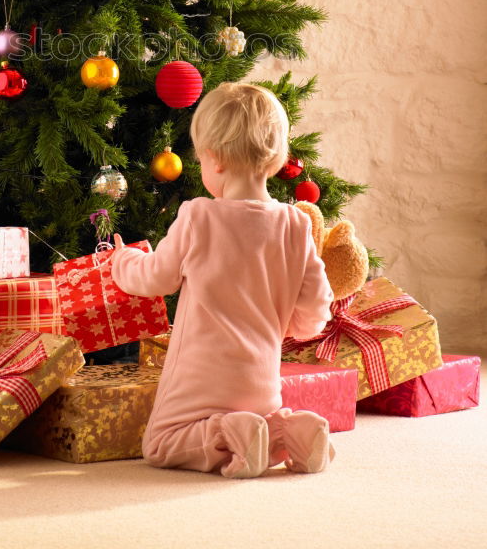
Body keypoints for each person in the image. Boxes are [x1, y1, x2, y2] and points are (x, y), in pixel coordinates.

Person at [111, 81, 335, 479]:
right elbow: (317, 305)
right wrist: (297, 326)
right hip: (261, 378)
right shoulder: (295, 223)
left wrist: (123, 259)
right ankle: (294, 430)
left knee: (161, 444)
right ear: (275, 157)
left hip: (201, 377)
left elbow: (156, 278)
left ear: (213, 160)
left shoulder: (199, 216)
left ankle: (229, 432)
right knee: (262, 424)